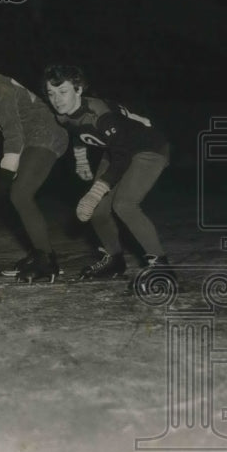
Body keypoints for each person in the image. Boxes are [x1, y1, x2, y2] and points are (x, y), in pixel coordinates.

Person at [43, 64, 176, 294]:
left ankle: (162, 268)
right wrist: (81, 158)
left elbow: (122, 157)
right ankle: (114, 259)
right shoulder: (62, 114)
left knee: (124, 204)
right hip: (116, 150)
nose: (56, 99)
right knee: (98, 210)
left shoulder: (99, 114)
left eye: (62, 92)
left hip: (147, 148)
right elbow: (76, 130)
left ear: (79, 90)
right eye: (51, 93)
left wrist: (95, 191)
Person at [0, 42, 69, 283]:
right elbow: (0, 121)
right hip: (33, 136)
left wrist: (4, 177)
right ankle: (41, 253)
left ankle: (47, 261)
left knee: (19, 194)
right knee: (18, 195)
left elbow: (13, 133)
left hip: (44, 135)